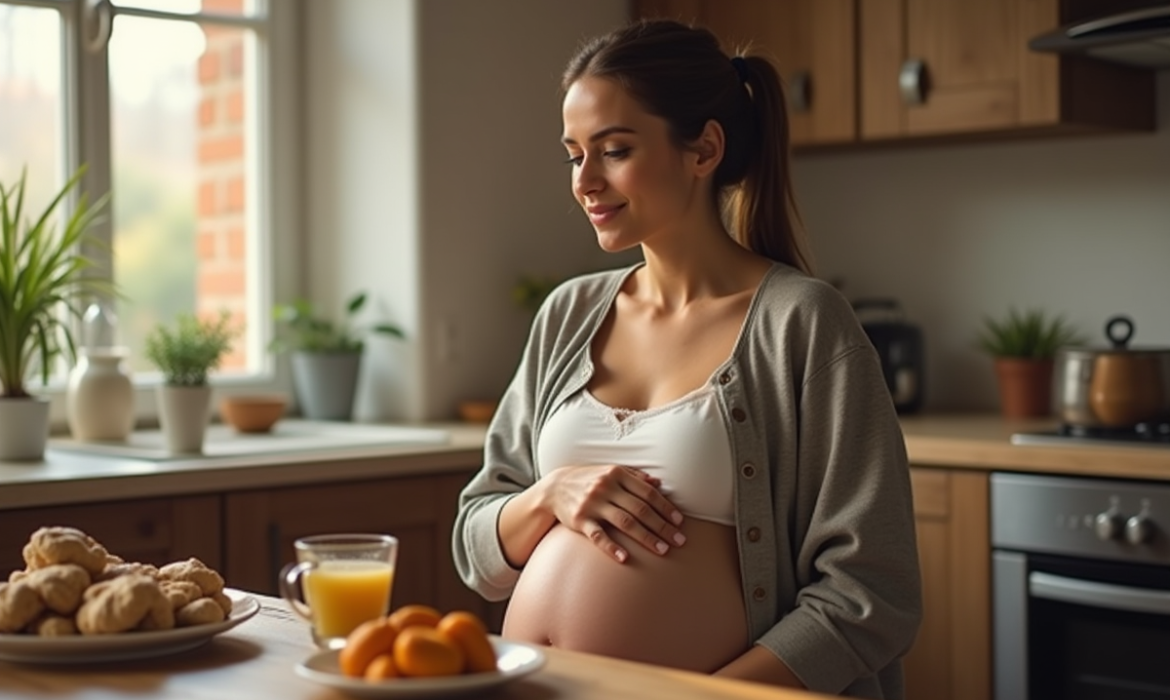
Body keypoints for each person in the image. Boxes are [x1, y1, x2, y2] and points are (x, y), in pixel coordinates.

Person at [452, 18, 921, 699]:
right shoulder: (568, 314)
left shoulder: (801, 323)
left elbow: (871, 596)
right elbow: (477, 549)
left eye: (613, 150)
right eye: (573, 155)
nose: (585, 181)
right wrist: (550, 495)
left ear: (703, 149)